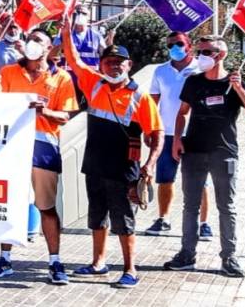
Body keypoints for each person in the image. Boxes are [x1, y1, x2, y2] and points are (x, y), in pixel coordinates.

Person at [60, 15, 163, 289]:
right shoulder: (94, 83)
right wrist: (66, 31)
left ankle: (130, 269)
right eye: (108, 62)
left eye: (119, 62)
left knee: (124, 221)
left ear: (129, 65)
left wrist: (150, 164)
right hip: (94, 165)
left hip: (123, 169)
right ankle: (98, 263)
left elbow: (157, 134)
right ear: (101, 64)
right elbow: (73, 59)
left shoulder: (139, 96)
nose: (114, 66)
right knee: (97, 218)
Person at [0, 28, 78, 285]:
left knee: (46, 206)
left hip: (44, 145)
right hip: (13, 143)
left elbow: (66, 116)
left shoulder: (61, 78)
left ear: (49, 48)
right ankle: (4, 258)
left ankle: (55, 261)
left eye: (38, 40)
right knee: (10, 203)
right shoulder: (8, 72)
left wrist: (44, 111)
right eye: (30, 39)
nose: (32, 44)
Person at [164, 36, 245, 277]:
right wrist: (177, 139)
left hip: (224, 153)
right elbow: (182, 113)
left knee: (226, 207)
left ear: (221, 55)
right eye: (199, 51)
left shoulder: (233, 83)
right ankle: (187, 254)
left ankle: (229, 257)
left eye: (206, 51)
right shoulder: (194, 82)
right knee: (190, 206)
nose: (200, 56)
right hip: (193, 151)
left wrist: (238, 88)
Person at [145, 32, 212, 239]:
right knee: (165, 179)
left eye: (179, 44)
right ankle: (163, 219)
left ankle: (204, 224)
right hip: (166, 133)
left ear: (189, 46)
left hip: (194, 133)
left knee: (200, 181)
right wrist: (150, 129)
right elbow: (153, 103)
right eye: (170, 45)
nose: (175, 48)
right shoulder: (160, 71)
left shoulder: (201, 69)